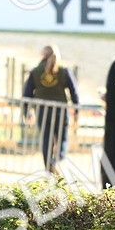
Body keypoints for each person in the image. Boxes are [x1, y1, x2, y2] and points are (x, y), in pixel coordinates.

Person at [22, 45, 80, 174]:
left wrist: (26, 111)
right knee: (62, 139)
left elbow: (27, 93)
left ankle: (49, 169)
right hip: (60, 111)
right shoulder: (63, 70)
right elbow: (74, 91)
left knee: (46, 140)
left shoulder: (36, 72)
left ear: (43, 55)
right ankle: (57, 161)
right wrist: (76, 108)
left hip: (42, 111)